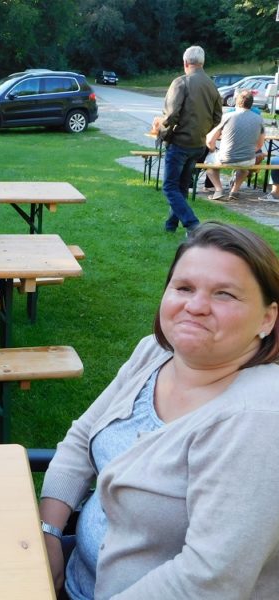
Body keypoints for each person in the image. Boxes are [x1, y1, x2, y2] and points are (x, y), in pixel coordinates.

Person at [39, 221, 279, 600]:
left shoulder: (259, 419)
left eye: (225, 294)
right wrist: (48, 534)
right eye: (184, 288)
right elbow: (82, 437)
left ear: (267, 318)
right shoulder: (154, 353)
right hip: (71, 575)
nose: (195, 307)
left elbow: (208, 581)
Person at [155, 46, 222, 234]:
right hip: (198, 145)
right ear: (202, 63)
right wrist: (201, 130)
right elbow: (217, 118)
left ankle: (192, 224)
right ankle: (170, 226)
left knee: (170, 187)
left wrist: (161, 130)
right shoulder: (212, 85)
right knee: (182, 187)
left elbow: (171, 115)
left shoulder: (181, 82)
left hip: (180, 142)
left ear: (185, 62)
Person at [205, 91, 265, 200]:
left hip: (226, 157)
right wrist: (248, 151)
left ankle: (218, 190)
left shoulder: (227, 116)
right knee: (244, 169)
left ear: (236, 102)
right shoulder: (259, 119)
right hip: (248, 159)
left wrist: (213, 151)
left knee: (209, 166)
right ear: (251, 104)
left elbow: (209, 140)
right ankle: (234, 191)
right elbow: (260, 144)